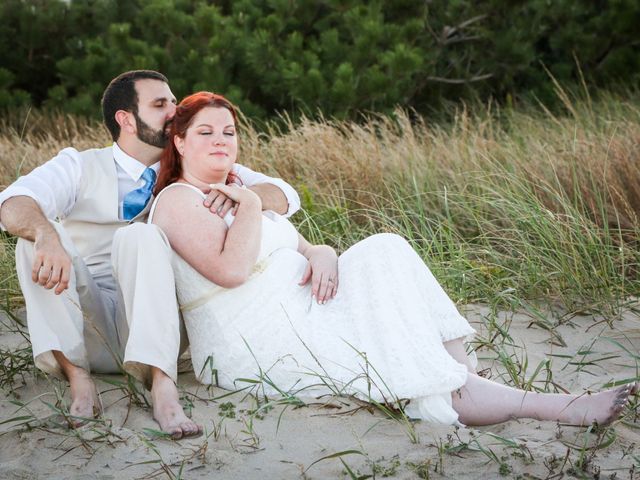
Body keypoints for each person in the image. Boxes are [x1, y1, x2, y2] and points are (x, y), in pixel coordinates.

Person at [149, 91, 636, 427]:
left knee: (385, 247)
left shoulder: (238, 188)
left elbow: (297, 244)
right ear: (179, 141)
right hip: (255, 339)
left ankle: (460, 381)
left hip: (303, 305)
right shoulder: (178, 201)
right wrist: (252, 202)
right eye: (206, 132)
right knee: (390, 305)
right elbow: (233, 272)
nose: (221, 141)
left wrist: (322, 252)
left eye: (229, 132)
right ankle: (543, 405)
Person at [0, 71, 300, 439]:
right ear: (125, 119)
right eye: (160, 104)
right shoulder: (79, 165)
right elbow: (12, 203)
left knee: (140, 235)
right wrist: (45, 233)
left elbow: (286, 194)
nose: (174, 111)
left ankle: (162, 384)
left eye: (174, 101)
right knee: (34, 237)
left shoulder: (191, 157)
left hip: (155, 329)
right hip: (85, 322)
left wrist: (249, 196)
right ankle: (77, 377)